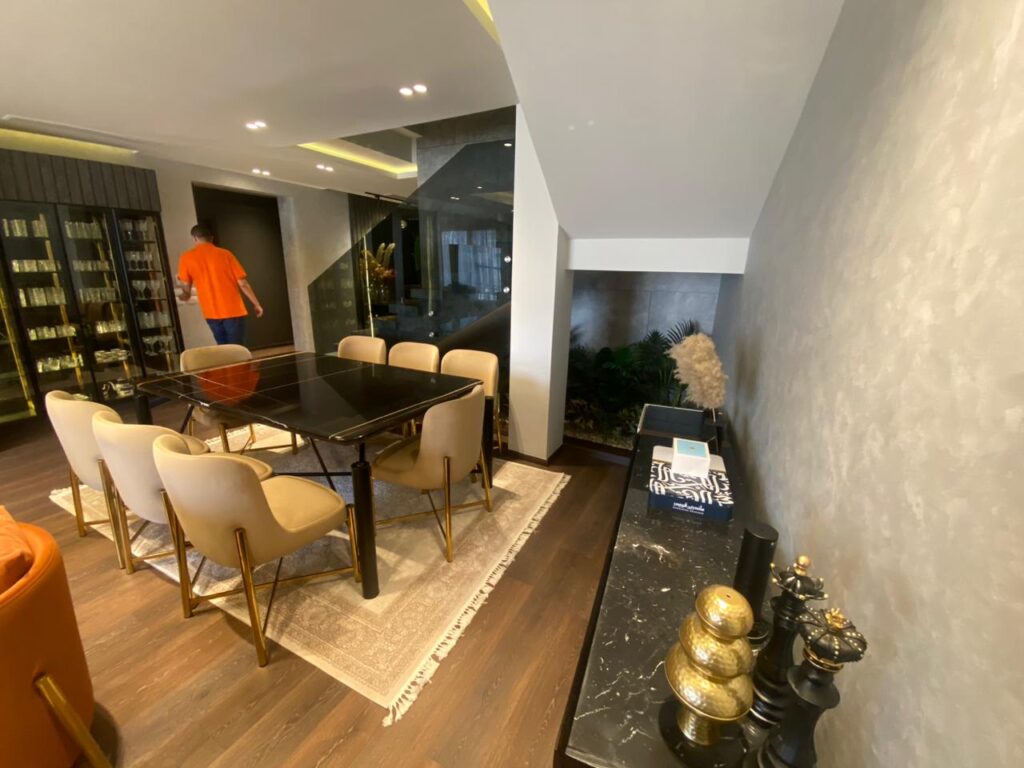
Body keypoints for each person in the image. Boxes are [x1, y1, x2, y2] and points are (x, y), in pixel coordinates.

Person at [177, 224, 263, 345]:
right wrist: (256, 304)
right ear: (211, 238)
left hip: (210, 312)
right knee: (237, 348)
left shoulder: (186, 258)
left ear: (194, 238)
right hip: (233, 310)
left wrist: (182, 296)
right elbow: (243, 283)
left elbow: (186, 290)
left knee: (223, 348)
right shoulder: (226, 254)